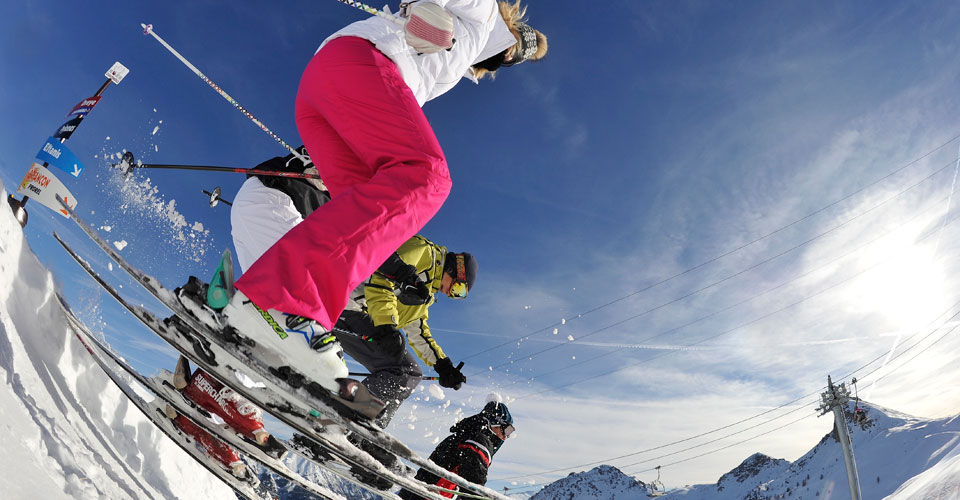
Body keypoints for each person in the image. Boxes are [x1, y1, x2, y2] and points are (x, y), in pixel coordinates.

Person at [225, 1, 548, 379]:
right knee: (428, 177)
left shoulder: (462, 58)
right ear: (511, 36)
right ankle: (278, 300)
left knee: (362, 214)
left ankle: (280, 319)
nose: (510, 56)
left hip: (323, 91)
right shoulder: (484, 13)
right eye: (516, 47)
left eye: (516, 57)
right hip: (360, 63)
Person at [398, 396, 515, 499]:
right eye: (507, 430)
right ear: (494, 423)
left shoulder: (463, 435)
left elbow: (456, 480)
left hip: (414, 492)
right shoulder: (479, 441)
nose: (505, 437)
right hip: (426, 495)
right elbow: (472, 487)